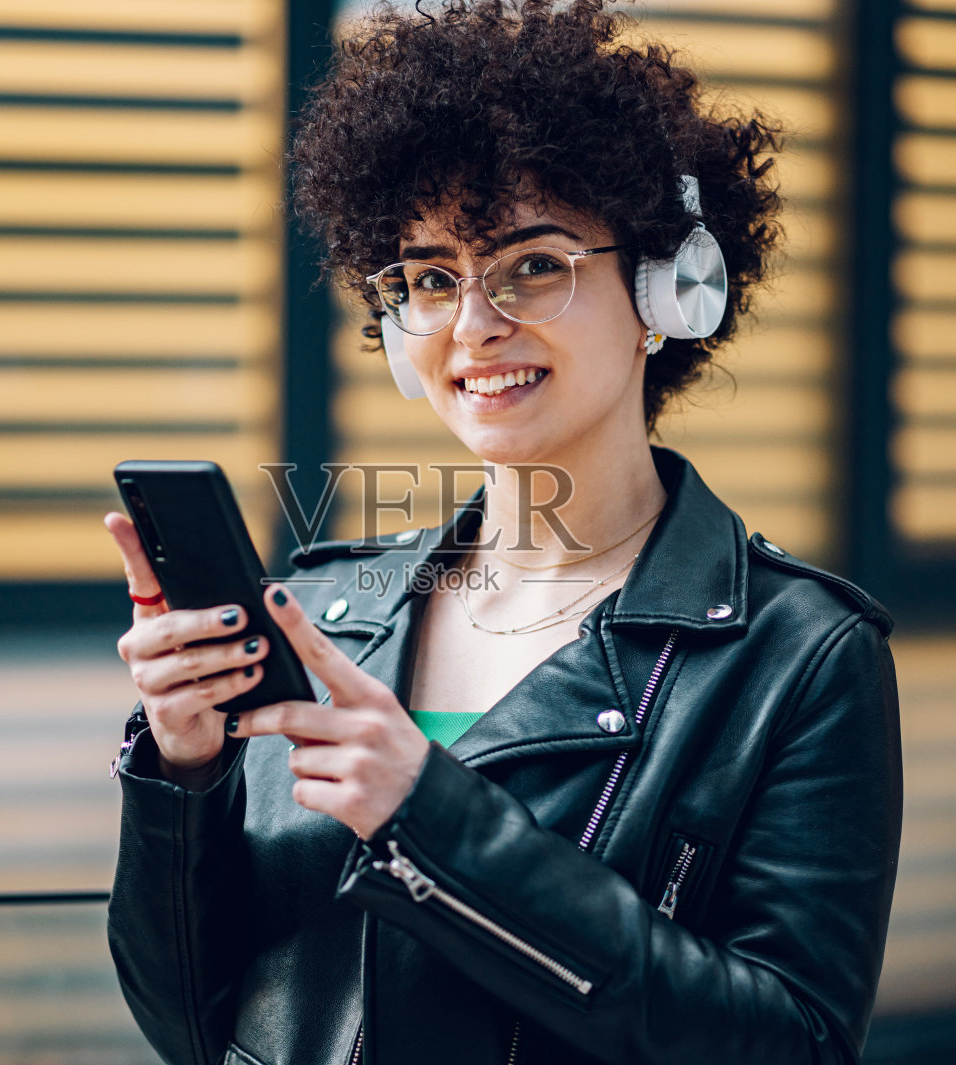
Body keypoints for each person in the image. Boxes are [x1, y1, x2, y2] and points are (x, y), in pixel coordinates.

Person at [103, 2, 901, 1063]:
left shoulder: (797, 660)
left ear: (669, 286)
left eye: (533, 264)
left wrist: (432, 822)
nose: (473, 323)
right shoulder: (321, 619)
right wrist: (185, 770)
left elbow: (789, 1045)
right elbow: (195, 1025)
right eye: (430, 278)